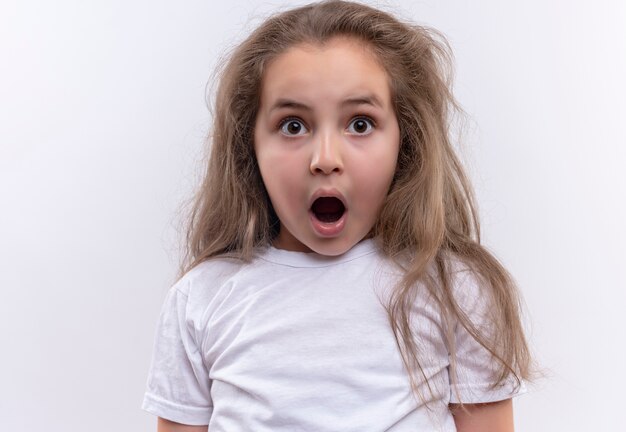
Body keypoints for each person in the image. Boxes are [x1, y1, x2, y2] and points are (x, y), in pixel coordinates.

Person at [142, 1, 534, 431]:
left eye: (360, 124)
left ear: (405, 140)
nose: (325, 159)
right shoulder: (200, 299)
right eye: (293, 125)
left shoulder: (453, 290)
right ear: (248, 145)